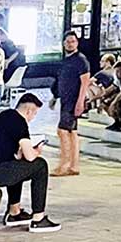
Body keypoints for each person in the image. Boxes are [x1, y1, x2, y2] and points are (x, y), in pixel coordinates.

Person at [0, 93, 60, 232]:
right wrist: (37, 150)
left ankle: (14, 212)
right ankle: (38, 219)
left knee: (17, 164)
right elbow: (31, 157)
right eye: (34, 114)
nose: (33, 118)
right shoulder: (20, 122)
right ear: (29, 111)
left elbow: (16, 155)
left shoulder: (6, 115)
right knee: (40, 166)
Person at [49, 31, 90, 177]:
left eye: (72, 41)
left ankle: (64, 165)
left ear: (77, 43)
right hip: (65, 99)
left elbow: (85, 82)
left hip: (73, 101)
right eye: (67, 41)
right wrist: (55, 97)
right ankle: (74, 165)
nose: (70, 44)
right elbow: (60, 79)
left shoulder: (81, 60)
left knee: (63, 131)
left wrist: (80, 101)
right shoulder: (65, 60)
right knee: (72, 132)